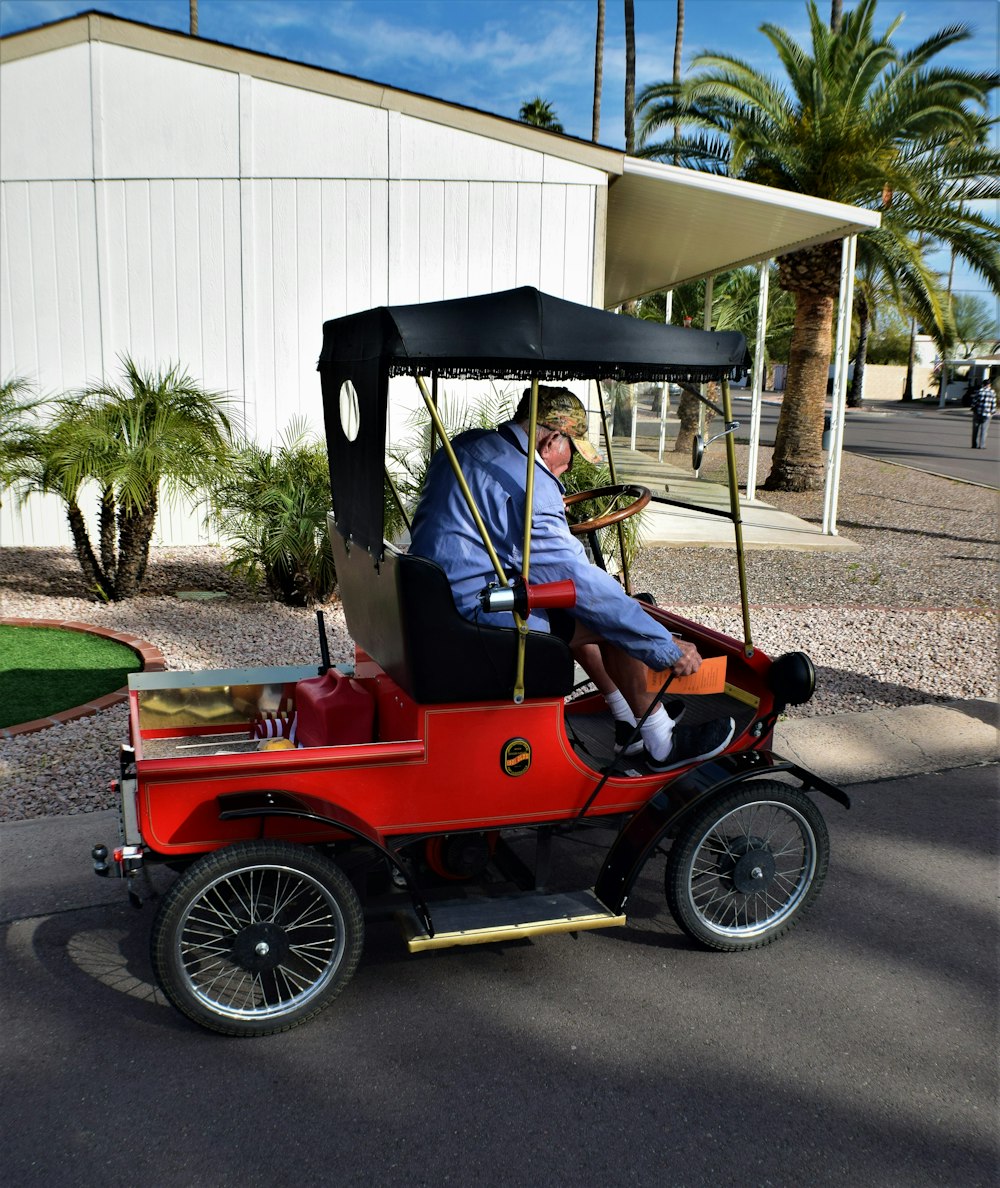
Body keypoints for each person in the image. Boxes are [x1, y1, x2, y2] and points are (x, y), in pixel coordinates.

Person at [408, 385, 735, 771]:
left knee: (585, 609)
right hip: (479, 622)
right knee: (609, 613)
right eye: (571, 453)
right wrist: (664, 646)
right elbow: (583, 585)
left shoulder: (468, 446)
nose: (569, 465)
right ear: (550, 440)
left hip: (439, 604)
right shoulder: (532, 486)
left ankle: (628, 721)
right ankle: (661, 741)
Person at [970, 380, 996, 449]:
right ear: (989, 385)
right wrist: (992, 412)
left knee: (975, 430)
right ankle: (982, 445)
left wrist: (973, 409)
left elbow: (974, 402)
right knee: (984, 430)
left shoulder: (979, 391)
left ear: (983, 384)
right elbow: (993, 403)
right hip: (987, 414)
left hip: (978, 413)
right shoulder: (992, 392)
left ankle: (974, 444)